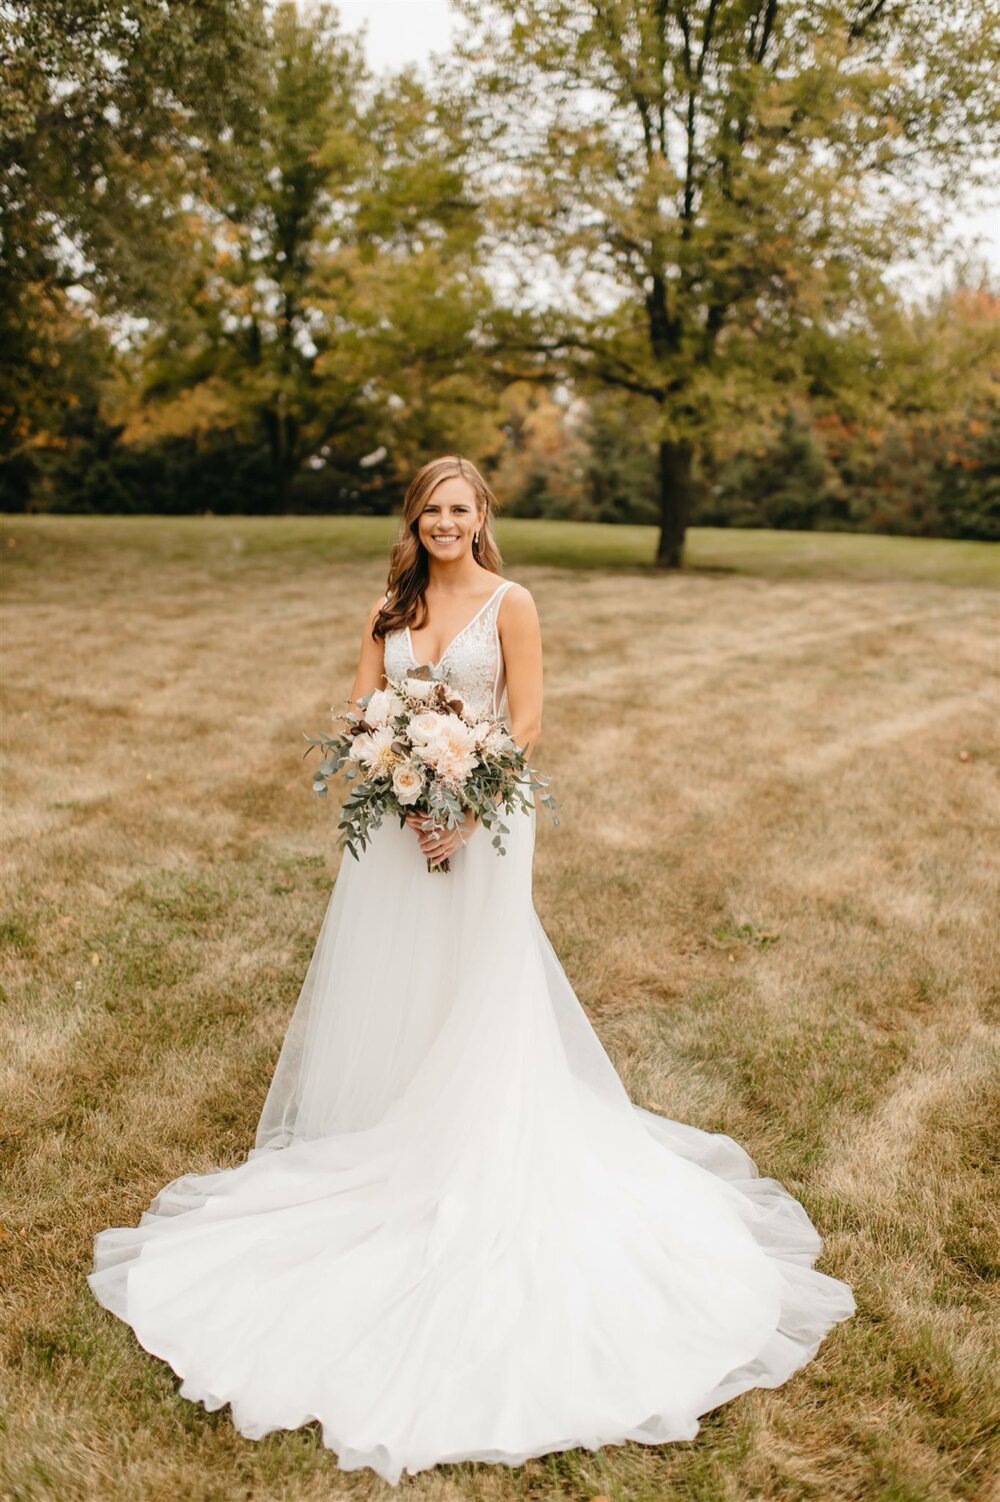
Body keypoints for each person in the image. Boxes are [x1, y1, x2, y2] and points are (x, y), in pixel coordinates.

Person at [88, 454, 856, 1485]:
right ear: (413, 520)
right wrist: (405, 785)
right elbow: (364, 712)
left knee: (480, 988)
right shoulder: (387, 607)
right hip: (403, 833)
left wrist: (463, 795)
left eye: (462, 509)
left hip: (485, 826)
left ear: (481, 516)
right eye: (431, 510)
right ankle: (392, 1136)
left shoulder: (512, 602)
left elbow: (528, 720)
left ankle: (476, 1146)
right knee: (399, 983)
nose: (446, 522)